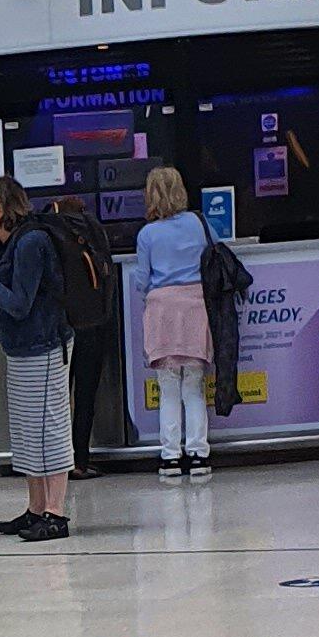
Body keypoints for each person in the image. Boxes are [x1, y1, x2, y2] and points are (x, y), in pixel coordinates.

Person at [0, 178, 73, 539]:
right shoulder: (14, 242)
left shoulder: (31, 243)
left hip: (43, 346)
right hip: (23, 349)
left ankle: (55, 513)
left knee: (49, 429)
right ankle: (35, 508)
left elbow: (20, 303)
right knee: (29, 433)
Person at [126, 161, 214, 474]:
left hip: (162, 309)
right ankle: (199, 453)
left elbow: (142, 279)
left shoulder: (147, 234)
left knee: (167, 387)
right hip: (195, 306)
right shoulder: (198, 223)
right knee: (194, 385)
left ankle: (170, 456)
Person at [49, 193, 118, 468]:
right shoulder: (93, 230)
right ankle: (80, 460)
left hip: (60, 326)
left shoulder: (50, 231)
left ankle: (58, 463)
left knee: (58, 397)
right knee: (86, 395)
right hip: (93, 323)